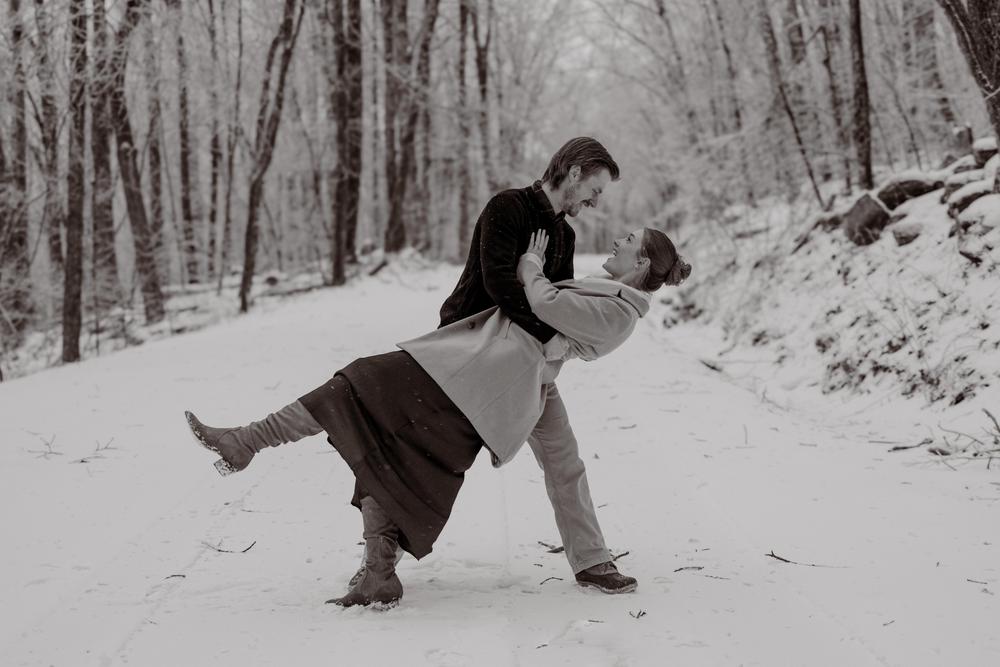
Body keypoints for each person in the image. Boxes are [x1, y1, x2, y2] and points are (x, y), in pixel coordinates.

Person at [185, 228, 691, 608]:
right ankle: (589, 561)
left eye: (627, 241)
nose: (616, 241)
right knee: (561, 464)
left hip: (501, 372)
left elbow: (545, 302)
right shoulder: (614, 294)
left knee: (356, 387)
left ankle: (248, 441)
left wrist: (531, 262)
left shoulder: (621, 312)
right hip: (523, 374)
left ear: (641, 260)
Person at [438, 137, 635, 594]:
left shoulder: (564, 234)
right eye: (595, 189)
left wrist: (556, 347)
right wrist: (550, 336)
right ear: (573, 173)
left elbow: (556, 303)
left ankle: (592, 561)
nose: (594, 201)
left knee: (564, 459)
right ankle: (378, 560)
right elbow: (500, 285)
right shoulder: (507, 207)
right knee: (436, 456)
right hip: (468, 356)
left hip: (527, 367)